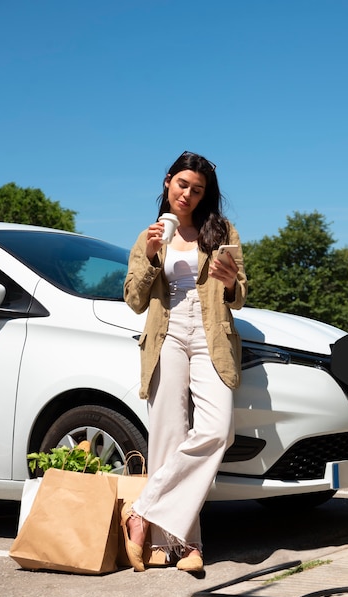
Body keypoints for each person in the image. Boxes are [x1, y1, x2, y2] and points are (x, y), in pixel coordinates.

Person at [123, 150, 247, 573]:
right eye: (182, 185)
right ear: (167, 183)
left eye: (197, 190)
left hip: (212, 332)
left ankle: (141, 511)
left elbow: (241, 295)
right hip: (167, 332)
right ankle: (181, 546)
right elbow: (135, 300)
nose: (188, 195)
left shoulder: (222, 231)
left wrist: (231, 285)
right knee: (168, 435)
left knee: (216, 430)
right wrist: (154, 256)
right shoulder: (149, 236)